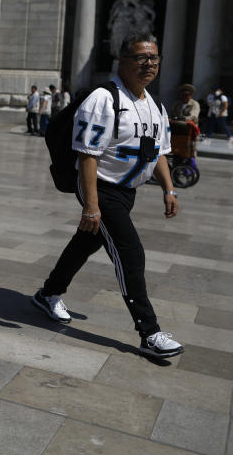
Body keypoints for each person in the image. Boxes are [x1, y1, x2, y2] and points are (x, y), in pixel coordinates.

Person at [31, 32, 184, 359]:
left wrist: (169, 189)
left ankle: (48, 293)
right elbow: (87, 155)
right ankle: (149, 331)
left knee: (85, 242)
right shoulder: (104, 99)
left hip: (126, 192)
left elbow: (159, 153)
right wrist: (91, 205)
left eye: (154, 58)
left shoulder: (155, 105)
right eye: (141, 58)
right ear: (123, 61)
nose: (149, 64)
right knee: (130, 252)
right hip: (100, 187)